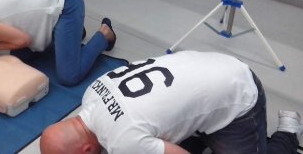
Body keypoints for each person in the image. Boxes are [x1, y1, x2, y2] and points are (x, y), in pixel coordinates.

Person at [40, 50, 302, 154]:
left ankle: (289, 133)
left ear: (86, 151)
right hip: (210, 67)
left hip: (238, 92)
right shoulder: (91, 93)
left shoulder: (123, 141)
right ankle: (204, 133)